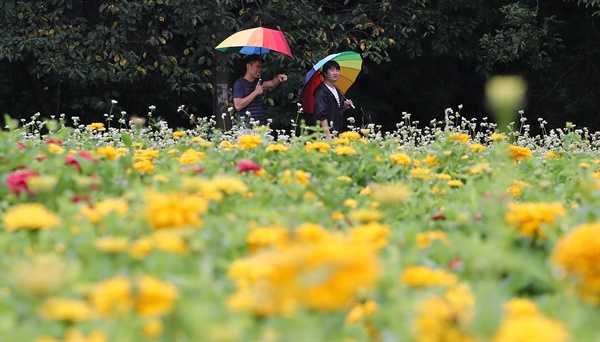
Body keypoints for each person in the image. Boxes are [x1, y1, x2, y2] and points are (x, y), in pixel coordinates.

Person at [233, 55, 288, 127]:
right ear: (248, 66)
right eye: (257, 66)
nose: (260, 70)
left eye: (261, 67)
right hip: (246, 127)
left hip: (261, 126)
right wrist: (255, 92)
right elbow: (238, 106)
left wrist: (278, 78)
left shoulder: (258, 82)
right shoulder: (239, 84)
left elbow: (272, 83)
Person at [313, 60, 354, 139]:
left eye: (337, 70)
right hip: (326, 134)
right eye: (332, 70)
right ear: (325, 73)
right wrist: (327, 134)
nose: (335, 73)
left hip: (336, 131)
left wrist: (344, 107)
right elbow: (321, 114)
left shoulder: (336, 90)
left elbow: (334, 111)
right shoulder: (321, 91)